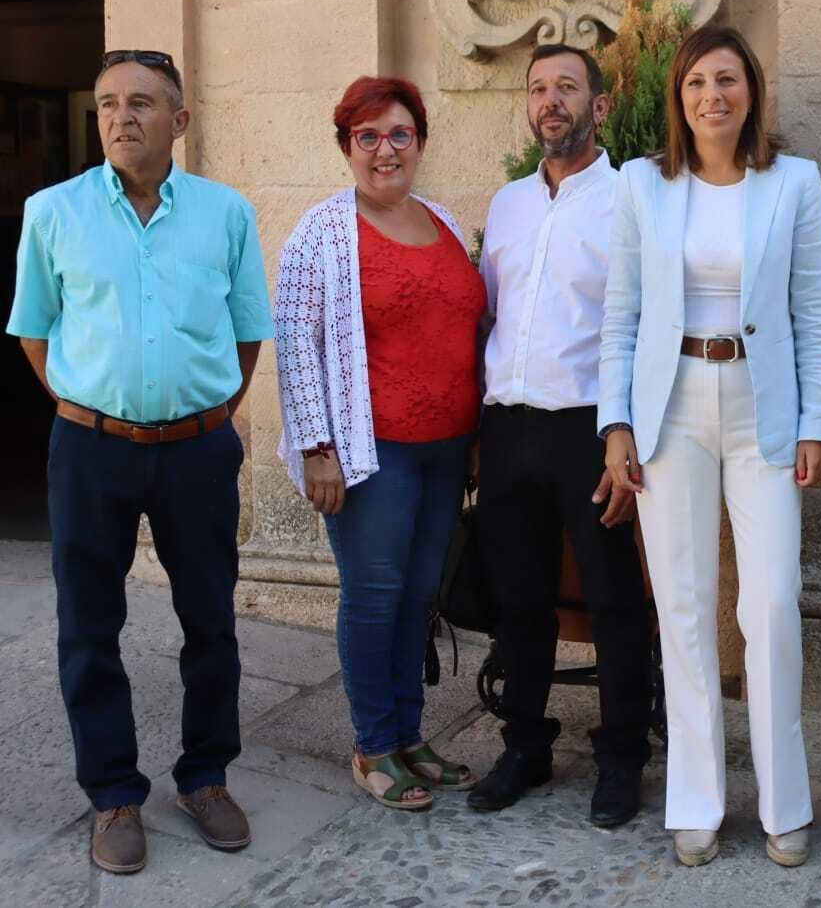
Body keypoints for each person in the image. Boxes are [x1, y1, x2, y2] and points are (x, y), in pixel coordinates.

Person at [7, 49, 273, 873]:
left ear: (180, 121)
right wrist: (87, 409)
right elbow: (33, 329)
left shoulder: (225, 214)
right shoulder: (52, 211)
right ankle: (113, 794)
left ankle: (205, 777)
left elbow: (248, 329)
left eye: (143, 104)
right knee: (89, 625)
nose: (123, 117)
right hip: (90, 449)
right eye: (109, 104)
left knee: (212, 621)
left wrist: (208, 414)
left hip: (196, 449)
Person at [599, 24, 821, 868]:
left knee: (769, 604)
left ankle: (784, 802)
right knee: (686, 606)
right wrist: (615, 423)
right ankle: (696, 799)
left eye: (728, 80)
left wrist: (817, 423)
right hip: (671, 406)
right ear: (679, 97)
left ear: (751, 92)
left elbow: (815, 312)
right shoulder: (642, 186)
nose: (713, 97)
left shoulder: (794, 184)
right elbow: (620, 313)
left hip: (763, 406)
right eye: (698, 82)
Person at [274, 76, 485, 811]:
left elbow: (469, 329)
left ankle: (408, 736)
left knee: (419, 596)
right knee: (375, 596)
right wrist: (315, 445)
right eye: (368, 136)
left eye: (398, 134)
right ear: (347, 148)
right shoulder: (321, 232)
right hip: (373, 453)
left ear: (420, 143)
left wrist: (480, 433)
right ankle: (373, 744)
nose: (385, 149)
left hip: (446, 446)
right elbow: (297, 344)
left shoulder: (447, 224)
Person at [467, 44, 655, 828]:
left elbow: (644, 325)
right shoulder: (508, 204)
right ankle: (525, 747)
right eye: (539, 89)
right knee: (521, 599)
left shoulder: (631, 201)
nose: (551, 101)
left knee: (614, 600)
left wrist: (628, 437)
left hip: (590, 428)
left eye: (567, 88)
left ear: (600, 107)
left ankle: (620, 761)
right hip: (509, 426)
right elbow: (487, 312)